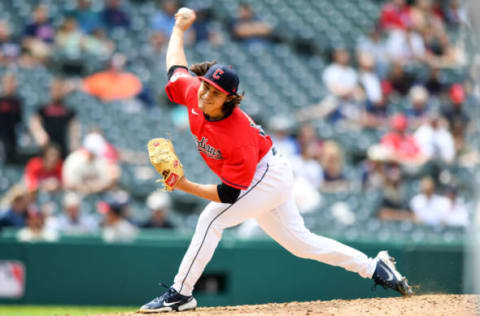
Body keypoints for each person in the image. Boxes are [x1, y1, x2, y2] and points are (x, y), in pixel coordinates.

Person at [138, 8, 413, 313]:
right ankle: (374, 267)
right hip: (269, 170)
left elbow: (230, 195)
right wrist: (179, 29)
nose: (205, 94)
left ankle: (181, 293)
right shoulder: (194, 90)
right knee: (301, 243)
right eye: (205, 85)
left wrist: (184, 184)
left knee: (211, 219)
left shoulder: (236, 132)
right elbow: (175, 66)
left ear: (229, 99)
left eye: (214, 93)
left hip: (264, 175)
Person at [0, 73, 22, 164]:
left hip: (12, 137)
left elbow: (20, 120)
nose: (10, 85)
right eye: (7, 82)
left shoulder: (17, 101)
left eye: (12, 82)